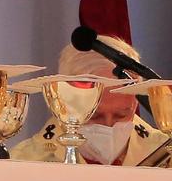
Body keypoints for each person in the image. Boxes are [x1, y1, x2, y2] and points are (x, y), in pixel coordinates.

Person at [13, 34, 163, 165]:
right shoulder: (23, 162)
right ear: (65, 101)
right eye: (95, 115)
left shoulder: (168, 155)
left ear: (136, 102)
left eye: (121, 115)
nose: (109, 127)